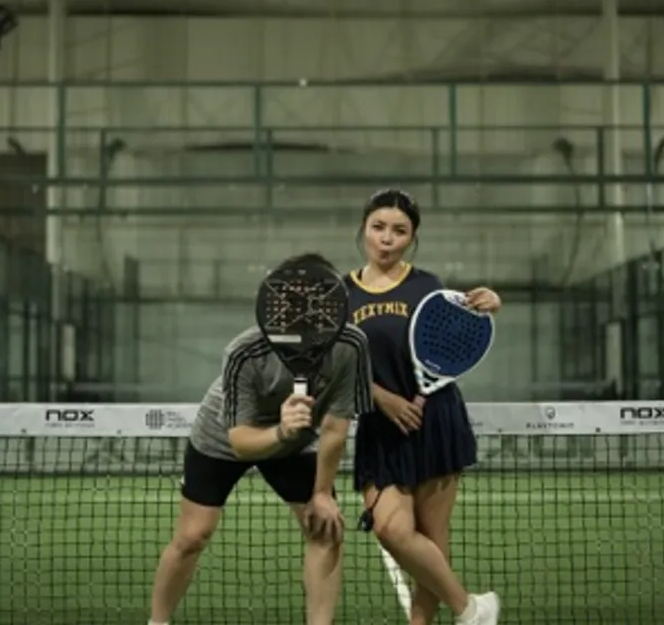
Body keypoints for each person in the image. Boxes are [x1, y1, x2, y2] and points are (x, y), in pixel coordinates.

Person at [148, 253, 373, 625]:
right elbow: (240, 441)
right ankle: (157, 622)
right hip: (223, 436)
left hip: (297, 441)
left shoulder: (351, 345)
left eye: (315, 297)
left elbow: (335, 427)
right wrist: (281, 430)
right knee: (192, 536)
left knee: (325, 530)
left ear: (332, 301)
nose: (303, 307)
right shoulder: (244, 351)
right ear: (276, 300)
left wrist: (321, 493)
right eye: (293, 298)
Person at [347, 189, 503, 625]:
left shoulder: (428, 286)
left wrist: (489, 302)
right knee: (391, 529)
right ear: (364, 229)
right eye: (378, 227)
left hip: (435, 422)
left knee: (432, 538)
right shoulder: (343, 293)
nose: (387, 239)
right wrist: (381, 397)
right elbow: (337, 366)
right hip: (380, 428)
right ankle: (472, 609)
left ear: (412, 238)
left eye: (399, 231)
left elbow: (460, 332)